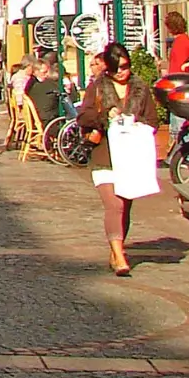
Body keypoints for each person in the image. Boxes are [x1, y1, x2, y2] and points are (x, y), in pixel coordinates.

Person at [77, 44, 159, 276]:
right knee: (115, 205)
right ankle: (121, 257)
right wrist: (104, 115)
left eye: (126, 66)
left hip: (131, 155)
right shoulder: (99, 88)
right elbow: (83, 116)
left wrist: (137, 124)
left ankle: (116, 251)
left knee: (126, 207)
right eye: (117, 68)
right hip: (105, 154)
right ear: (108, 70)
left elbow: (153, 120)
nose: (122, 72)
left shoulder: (140, 88)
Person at [24, 56, 64, 128]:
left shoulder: (31, 83)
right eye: (44, 72)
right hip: (46, 121)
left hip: (39, 118)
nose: (47, 74)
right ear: (36, 72)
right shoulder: (37, 86)